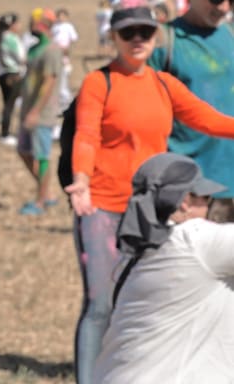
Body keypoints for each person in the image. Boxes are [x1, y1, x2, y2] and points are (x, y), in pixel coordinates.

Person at [64, 0, 234, 383]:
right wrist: (82, 182)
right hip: (103, 209)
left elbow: (206, 119)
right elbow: (87, 135)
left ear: (156, 36)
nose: (137, 39)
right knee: (99, 305)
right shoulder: (98, 82)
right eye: (128, 32)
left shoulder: (163, 84)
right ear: (114, 37)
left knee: (139, 301)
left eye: (146, 31)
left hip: (152, 212)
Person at [92, 153, 233, 383]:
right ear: (185, 201)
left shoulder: (136, 256)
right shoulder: (196, 241)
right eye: (205, 197)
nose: (209, 206)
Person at [148, 0, 234, 223]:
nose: (223, 8)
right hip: (191, 191)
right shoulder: (164, 42)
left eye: (231, 1)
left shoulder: (231, 35)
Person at [15, 8, 62, 216]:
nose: (30, 25)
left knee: (42, 156)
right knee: (23, 151)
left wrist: (36, 111)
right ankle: (47, 193)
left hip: (42, 114)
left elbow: (49, 81)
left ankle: (41, 202)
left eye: (33, 22)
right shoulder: (34, 49)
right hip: (28, 111)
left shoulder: (51, 50)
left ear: (43, 25)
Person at [0, 12, 25, 146]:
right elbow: (21, 57)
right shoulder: (11, 38)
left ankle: (5, 131)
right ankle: (6, 133)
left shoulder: (1, 38)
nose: (19, 26)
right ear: (11, 25)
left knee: (8, 103)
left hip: (3, 74)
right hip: (13, 75)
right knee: (10, 104)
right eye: (17, 23)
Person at [50, 8, 79, 112]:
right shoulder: (55, 27)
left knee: (64, 77)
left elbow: (73, 38)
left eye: (63, 16)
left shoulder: (68, 26)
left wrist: (67, 48)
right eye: (59, 16)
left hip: (64, 53)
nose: (61, 18)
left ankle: (66, 102)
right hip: (55, 52)